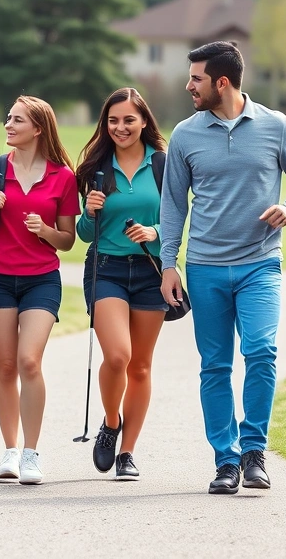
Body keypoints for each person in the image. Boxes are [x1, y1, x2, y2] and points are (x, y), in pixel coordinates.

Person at [159, 42, 286, 495]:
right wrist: (167, 264)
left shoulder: (276, 126)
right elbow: (172, 205)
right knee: (214, 366)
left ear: (222, 82)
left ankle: (254, 452)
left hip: (260, 264)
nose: (189, 85)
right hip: (206, 267)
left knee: (261, 351)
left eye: (196, 78)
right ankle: (226, 461)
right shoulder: (185, 135)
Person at [0, 96, 79, 485]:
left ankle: (32, 453)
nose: (8, 125)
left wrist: (45, 231)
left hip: (41, 280)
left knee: (29, 361)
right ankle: (10, 450)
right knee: (5, 365)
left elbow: (67, 240)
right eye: (8, 118)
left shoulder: (63, 177)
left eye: (17, 120)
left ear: (38, 128)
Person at [75, 88, 167, 481]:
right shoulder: (96, 167)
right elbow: (82, 232)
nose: (121, 127)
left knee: (141, 367)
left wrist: (156, 232)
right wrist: (89, 212)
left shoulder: (165, 165)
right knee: (118, 356)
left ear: (144, 121)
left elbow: (185, 222)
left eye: (129, 119)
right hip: (106, 269)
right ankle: (111, 423)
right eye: (113, 120)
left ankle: (128, 452)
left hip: (151, 272)